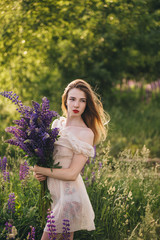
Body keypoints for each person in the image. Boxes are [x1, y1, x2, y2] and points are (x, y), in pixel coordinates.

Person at [33, 79, 109, 240]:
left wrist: (42, 170)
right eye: (72, 99)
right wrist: (39, 172)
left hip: (70, 198)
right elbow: (47, 161)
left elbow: (72, 174)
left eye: (82, 101)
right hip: (54, 195)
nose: (76, 105)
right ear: (65, 100)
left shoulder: (85, 133)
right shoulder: (56, 124)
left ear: (86, 105)